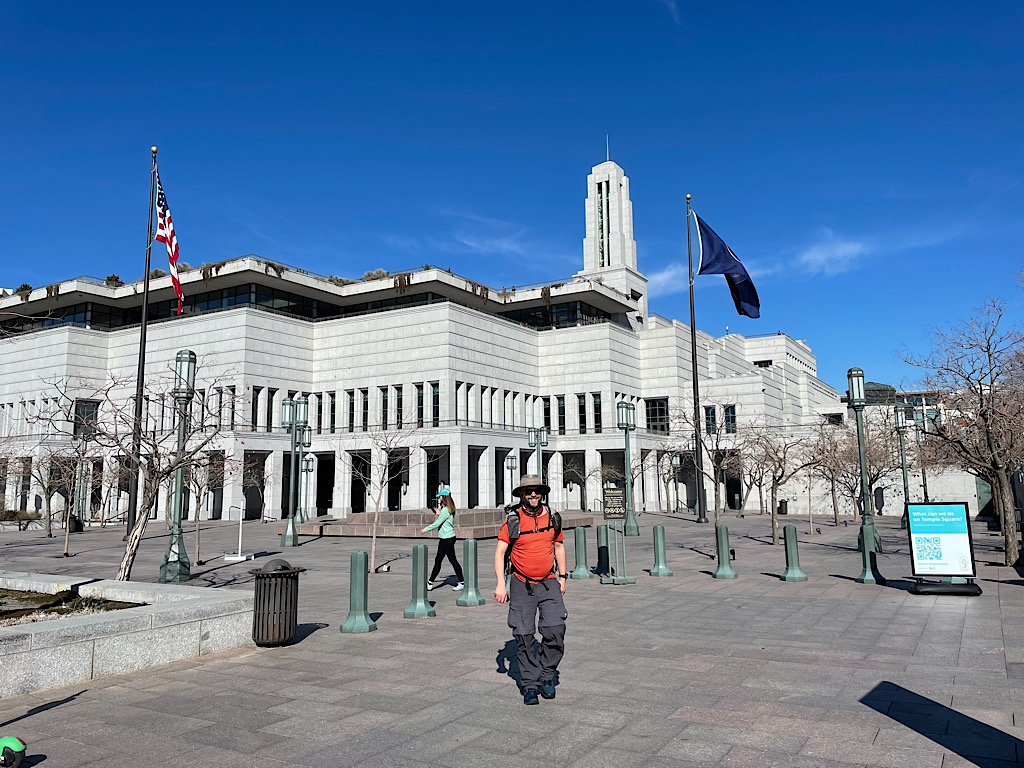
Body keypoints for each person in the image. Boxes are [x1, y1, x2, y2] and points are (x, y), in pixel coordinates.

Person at [494, 474, 567, 706]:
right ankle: (530, 685)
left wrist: (563, 577)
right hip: (521, 584)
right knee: (524, 636)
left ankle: (547, 675)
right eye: (528, 491)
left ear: (542, 493)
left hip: (549, 582)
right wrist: (499, 583)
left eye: (536, 490)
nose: (533, 494)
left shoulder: (553, 517)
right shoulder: (513, 520)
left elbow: (559, 546)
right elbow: (500, 553)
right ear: (522, 495)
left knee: (555, 629)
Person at [422, 488, 464, 591]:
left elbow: (437, 523)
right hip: (447, 538)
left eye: (440, 496)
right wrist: (440, 514)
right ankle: (430, 582)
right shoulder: (450, 509)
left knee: (451, 560)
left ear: (444, 497)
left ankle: (462, 582)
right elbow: (446, 520)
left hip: (447, 539)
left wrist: (425, 529)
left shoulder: (445, 510)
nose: (439, 498)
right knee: (439, 560)